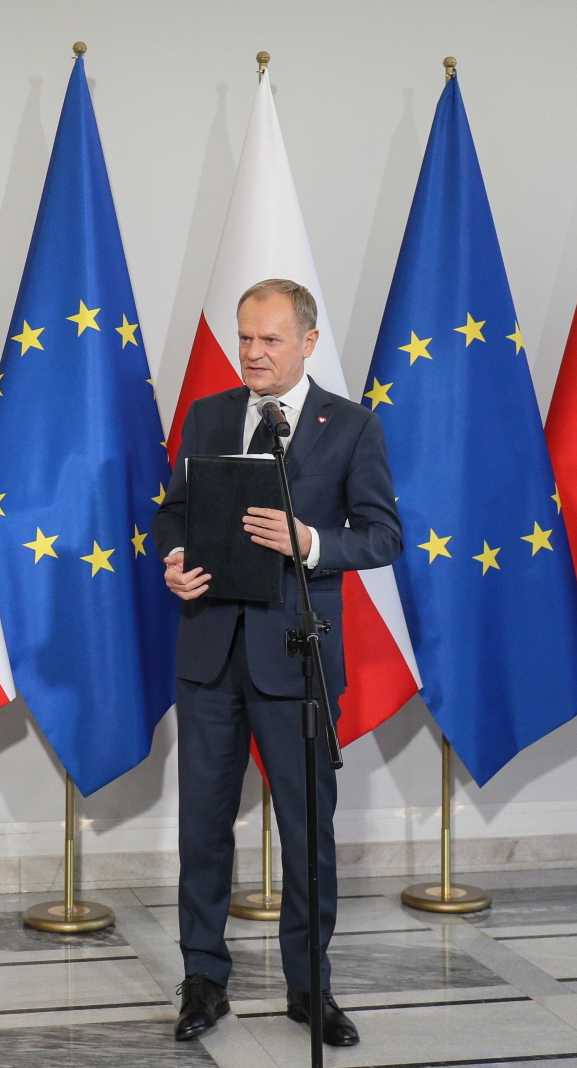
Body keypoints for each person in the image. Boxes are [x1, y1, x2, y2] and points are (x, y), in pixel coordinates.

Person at [153, 279, 402, 1046]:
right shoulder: (209, 415)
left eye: (270, 340)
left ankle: (309, 988)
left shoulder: (351, 427)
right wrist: (174, 557)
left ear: (308, 342)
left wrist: (312, 543)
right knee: (203, 826)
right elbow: (174, 511)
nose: (254, 354)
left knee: (307, 831)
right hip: (209, 653)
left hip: (296, 658)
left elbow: (384, 535)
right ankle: (203, 981)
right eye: (245, 339)